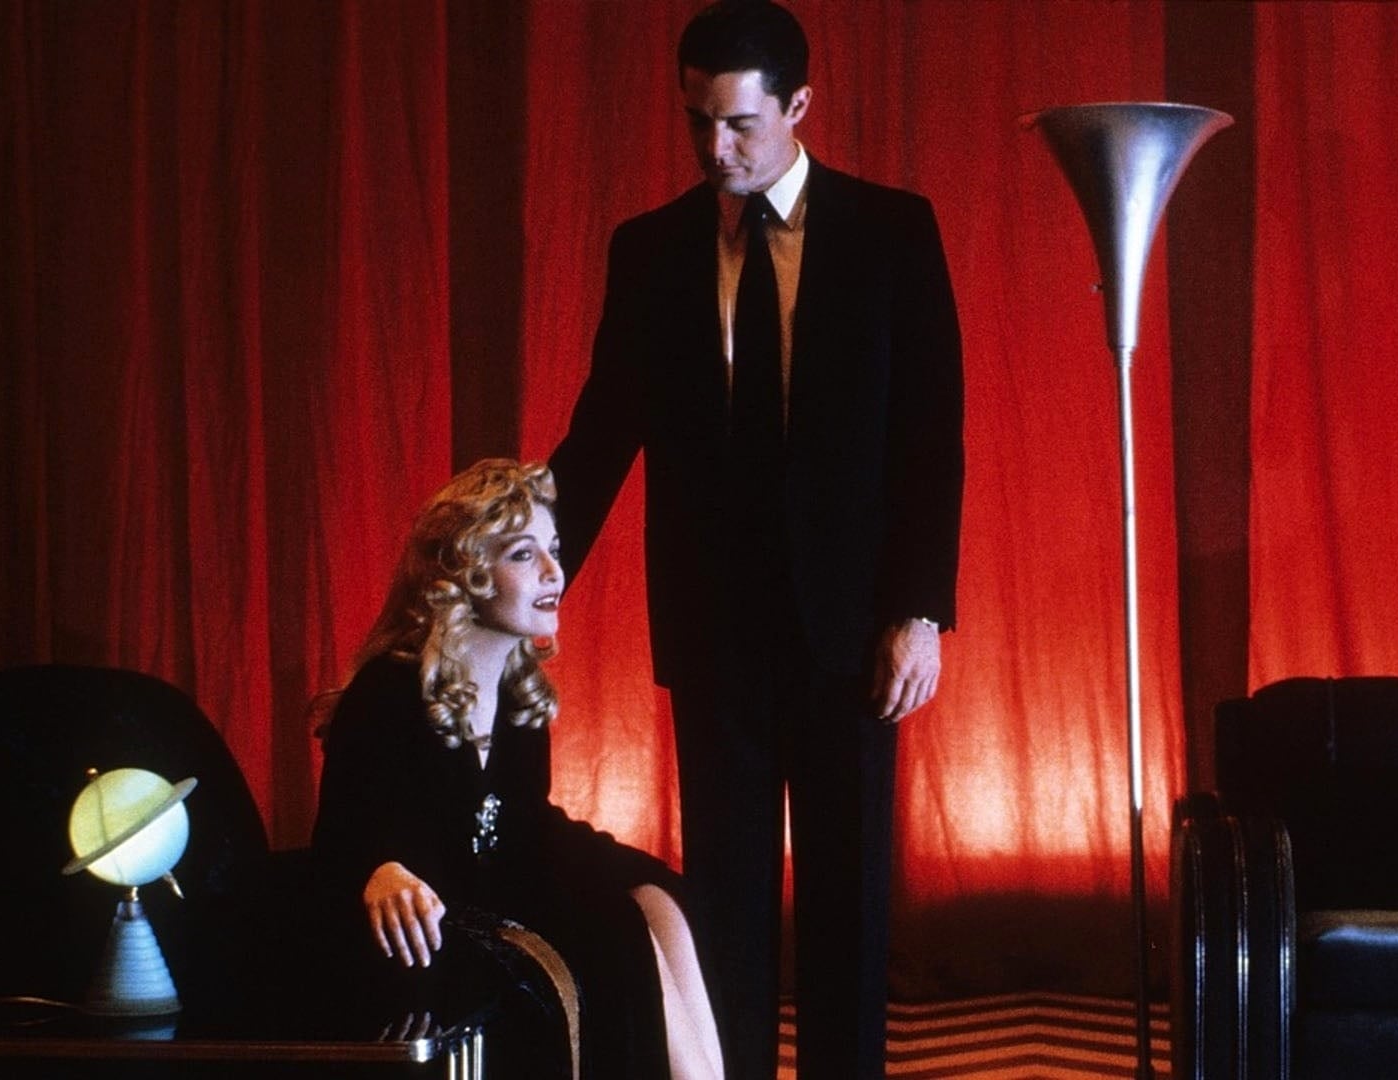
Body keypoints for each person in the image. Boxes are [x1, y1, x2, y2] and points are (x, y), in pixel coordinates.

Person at [546, 1, 964, 1075]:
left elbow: (930, 438)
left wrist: (919, 613)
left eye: (738, 123)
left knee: (846, 905)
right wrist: (521, 576)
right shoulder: (649, 250)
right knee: (724, 906)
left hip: (850, 632)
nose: (715, 147)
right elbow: (600, 438)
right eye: (697, 122)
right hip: (715, 629)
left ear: (798, 105)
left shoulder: (891, 231)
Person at [311, 458, 725, 1080]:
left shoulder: (518, 698)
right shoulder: (389, 690)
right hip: (417, 940)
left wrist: (639, 875)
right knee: (617, 932)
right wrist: (380, 867)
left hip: (490, 901)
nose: (554, 572)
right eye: (524, 554)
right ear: (466, 572)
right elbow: (343, 836)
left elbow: (527, 825)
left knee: (660, 901)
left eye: (553, 550)